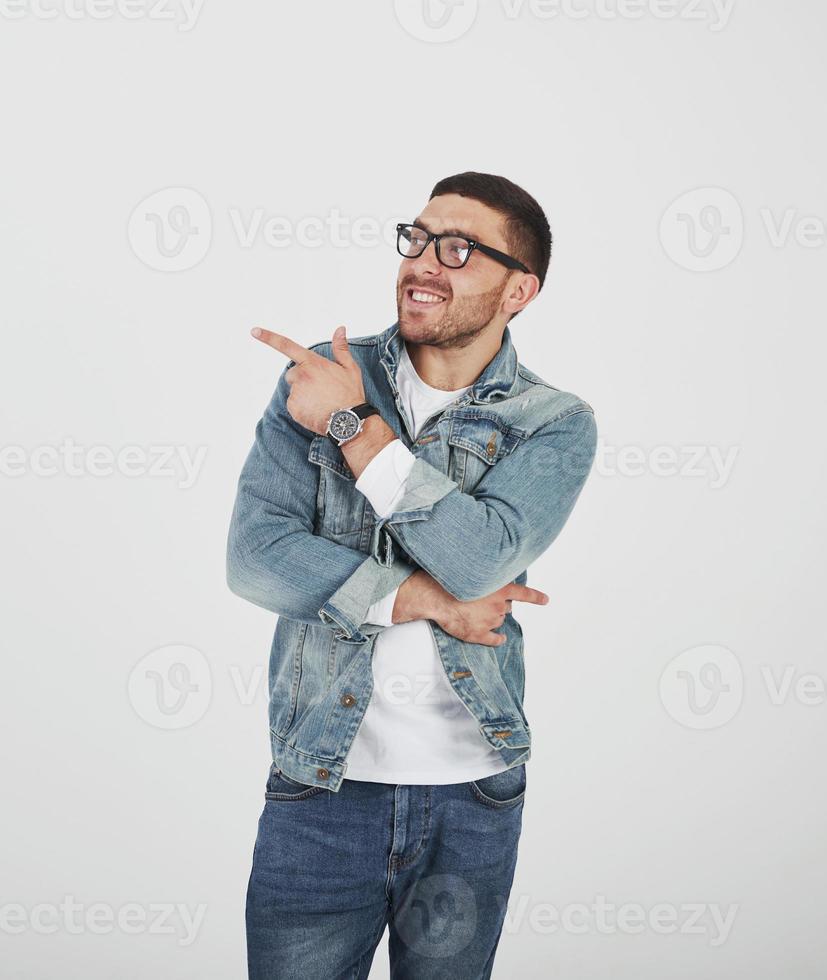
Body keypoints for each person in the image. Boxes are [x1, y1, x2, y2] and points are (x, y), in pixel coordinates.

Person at [226, 172, 599, 978]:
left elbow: (479, 559)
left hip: (473, 797)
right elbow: (255, 558)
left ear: (519, 290)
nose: (424, 263)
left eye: (459, 249)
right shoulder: (322, 373)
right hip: (321, 788)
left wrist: (352, 429)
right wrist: (428, 601)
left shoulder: (552, 423)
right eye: (418, 239)